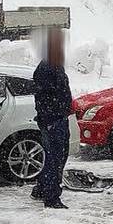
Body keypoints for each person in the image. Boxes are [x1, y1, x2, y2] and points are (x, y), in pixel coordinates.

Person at [30, 28, 73, 209]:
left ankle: (42, 188)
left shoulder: (53, 65)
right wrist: (53, 116)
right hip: (53, 120)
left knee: (57, 156)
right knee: (55, 158)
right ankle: (51, 197)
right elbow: (45, 96)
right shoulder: (47, 68)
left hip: (57, 118)